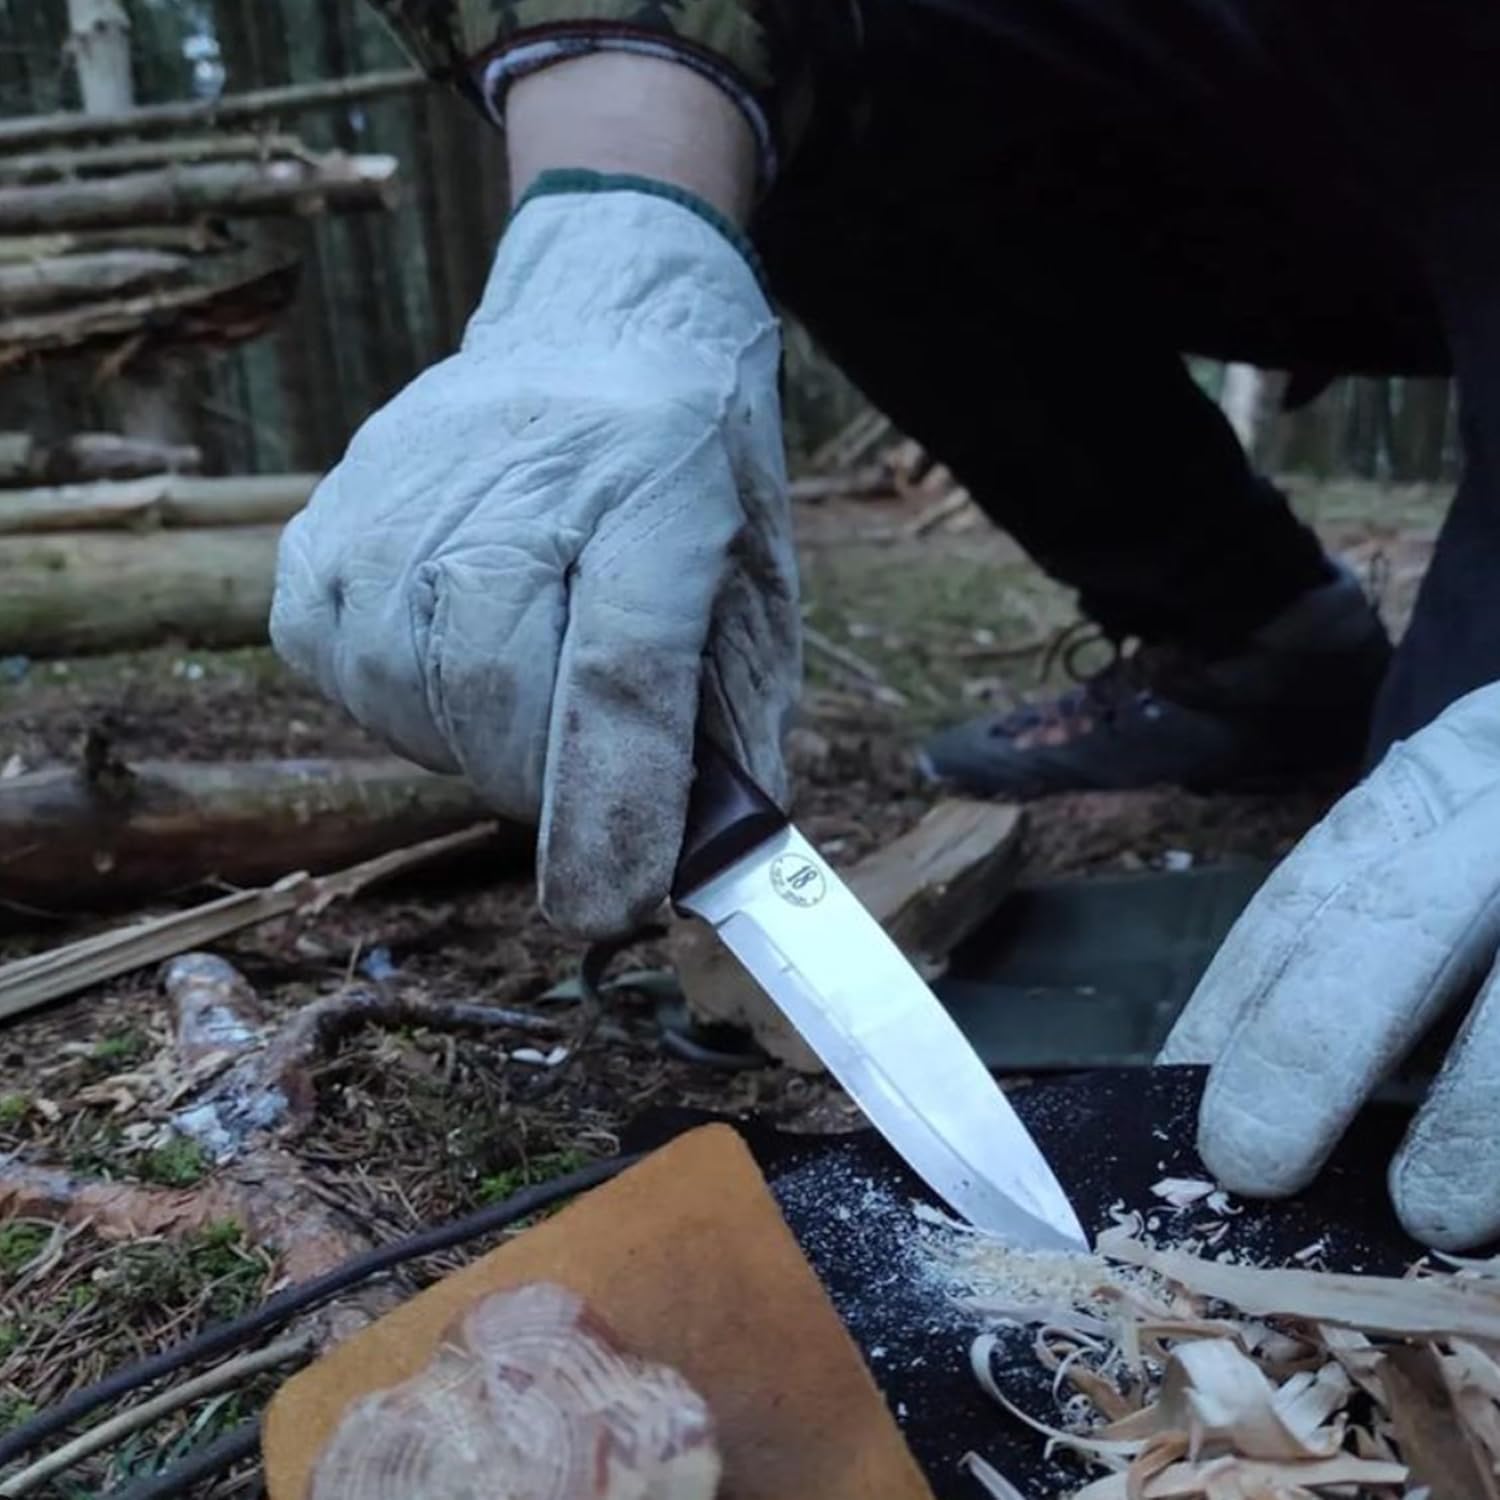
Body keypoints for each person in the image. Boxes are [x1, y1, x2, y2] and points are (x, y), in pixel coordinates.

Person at [270, 1, 1500, 1252]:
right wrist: (615, 216)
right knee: (851, 70)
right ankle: (1264, 646)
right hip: (1284, 135)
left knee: (1429, 963)